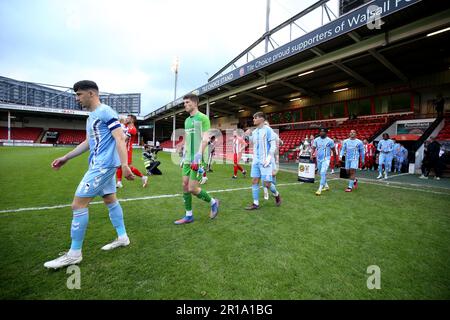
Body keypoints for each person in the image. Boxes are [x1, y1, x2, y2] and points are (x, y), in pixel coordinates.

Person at [44, 80, 134, 269]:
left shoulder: (105, 112)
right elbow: (88, 142)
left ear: (91, 93)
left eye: (79, 94)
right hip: (101, 165)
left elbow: (120, 138)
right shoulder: (92, 116)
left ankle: (74, 254)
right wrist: (66, 157)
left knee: (78, 205)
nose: (77, 98)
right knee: (110, 200)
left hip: (103, 166)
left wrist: (125, 165)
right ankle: (123, 237)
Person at [174, 94, 219, 224]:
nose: (185, 105)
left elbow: (206, 138)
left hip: (198, 157)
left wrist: (198, 154)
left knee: (192, 188)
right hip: (188, 157)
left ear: (194, 103)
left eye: (187, 102)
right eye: (184, 103)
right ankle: (189, 215)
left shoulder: (203, 118)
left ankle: (213, 202)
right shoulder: (187, 121)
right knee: (184, 185)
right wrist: (184, 154)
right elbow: (188, 140)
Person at [244, 112, 281, 210]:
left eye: (255, 117)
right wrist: (247, 136)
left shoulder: (268, 130)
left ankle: (276, 194)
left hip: (266, 161)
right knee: (254, 181)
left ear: (261, 118)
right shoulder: (255, 131)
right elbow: (251, 141)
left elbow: (273, 146)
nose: (253, 119)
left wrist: (269, 158)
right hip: (256, 160)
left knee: (267, 184)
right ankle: (255, 203)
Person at [116, 114, 148, 188]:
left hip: (127, 150)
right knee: (119, 165)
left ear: (132, 120)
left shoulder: (132, 129)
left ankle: (143, 177)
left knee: (128, 167)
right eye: (126, 118)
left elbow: (124, 139)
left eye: (128, 118)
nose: (126, 119)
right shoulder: (126, 127)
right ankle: (119, 182)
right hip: (122, 148)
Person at [311, 128, 335, 196]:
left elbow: (334, 150)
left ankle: (319, 189)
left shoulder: (330, 140)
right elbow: (313, 148)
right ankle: (326, 186)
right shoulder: (316, 140)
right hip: (319, 159)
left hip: (326, 159)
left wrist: (335, 160)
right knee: (320, 173)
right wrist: (311, 155)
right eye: (320, 131)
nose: (321, 132)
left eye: (323, 131)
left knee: (322, 172)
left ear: (326, 133)